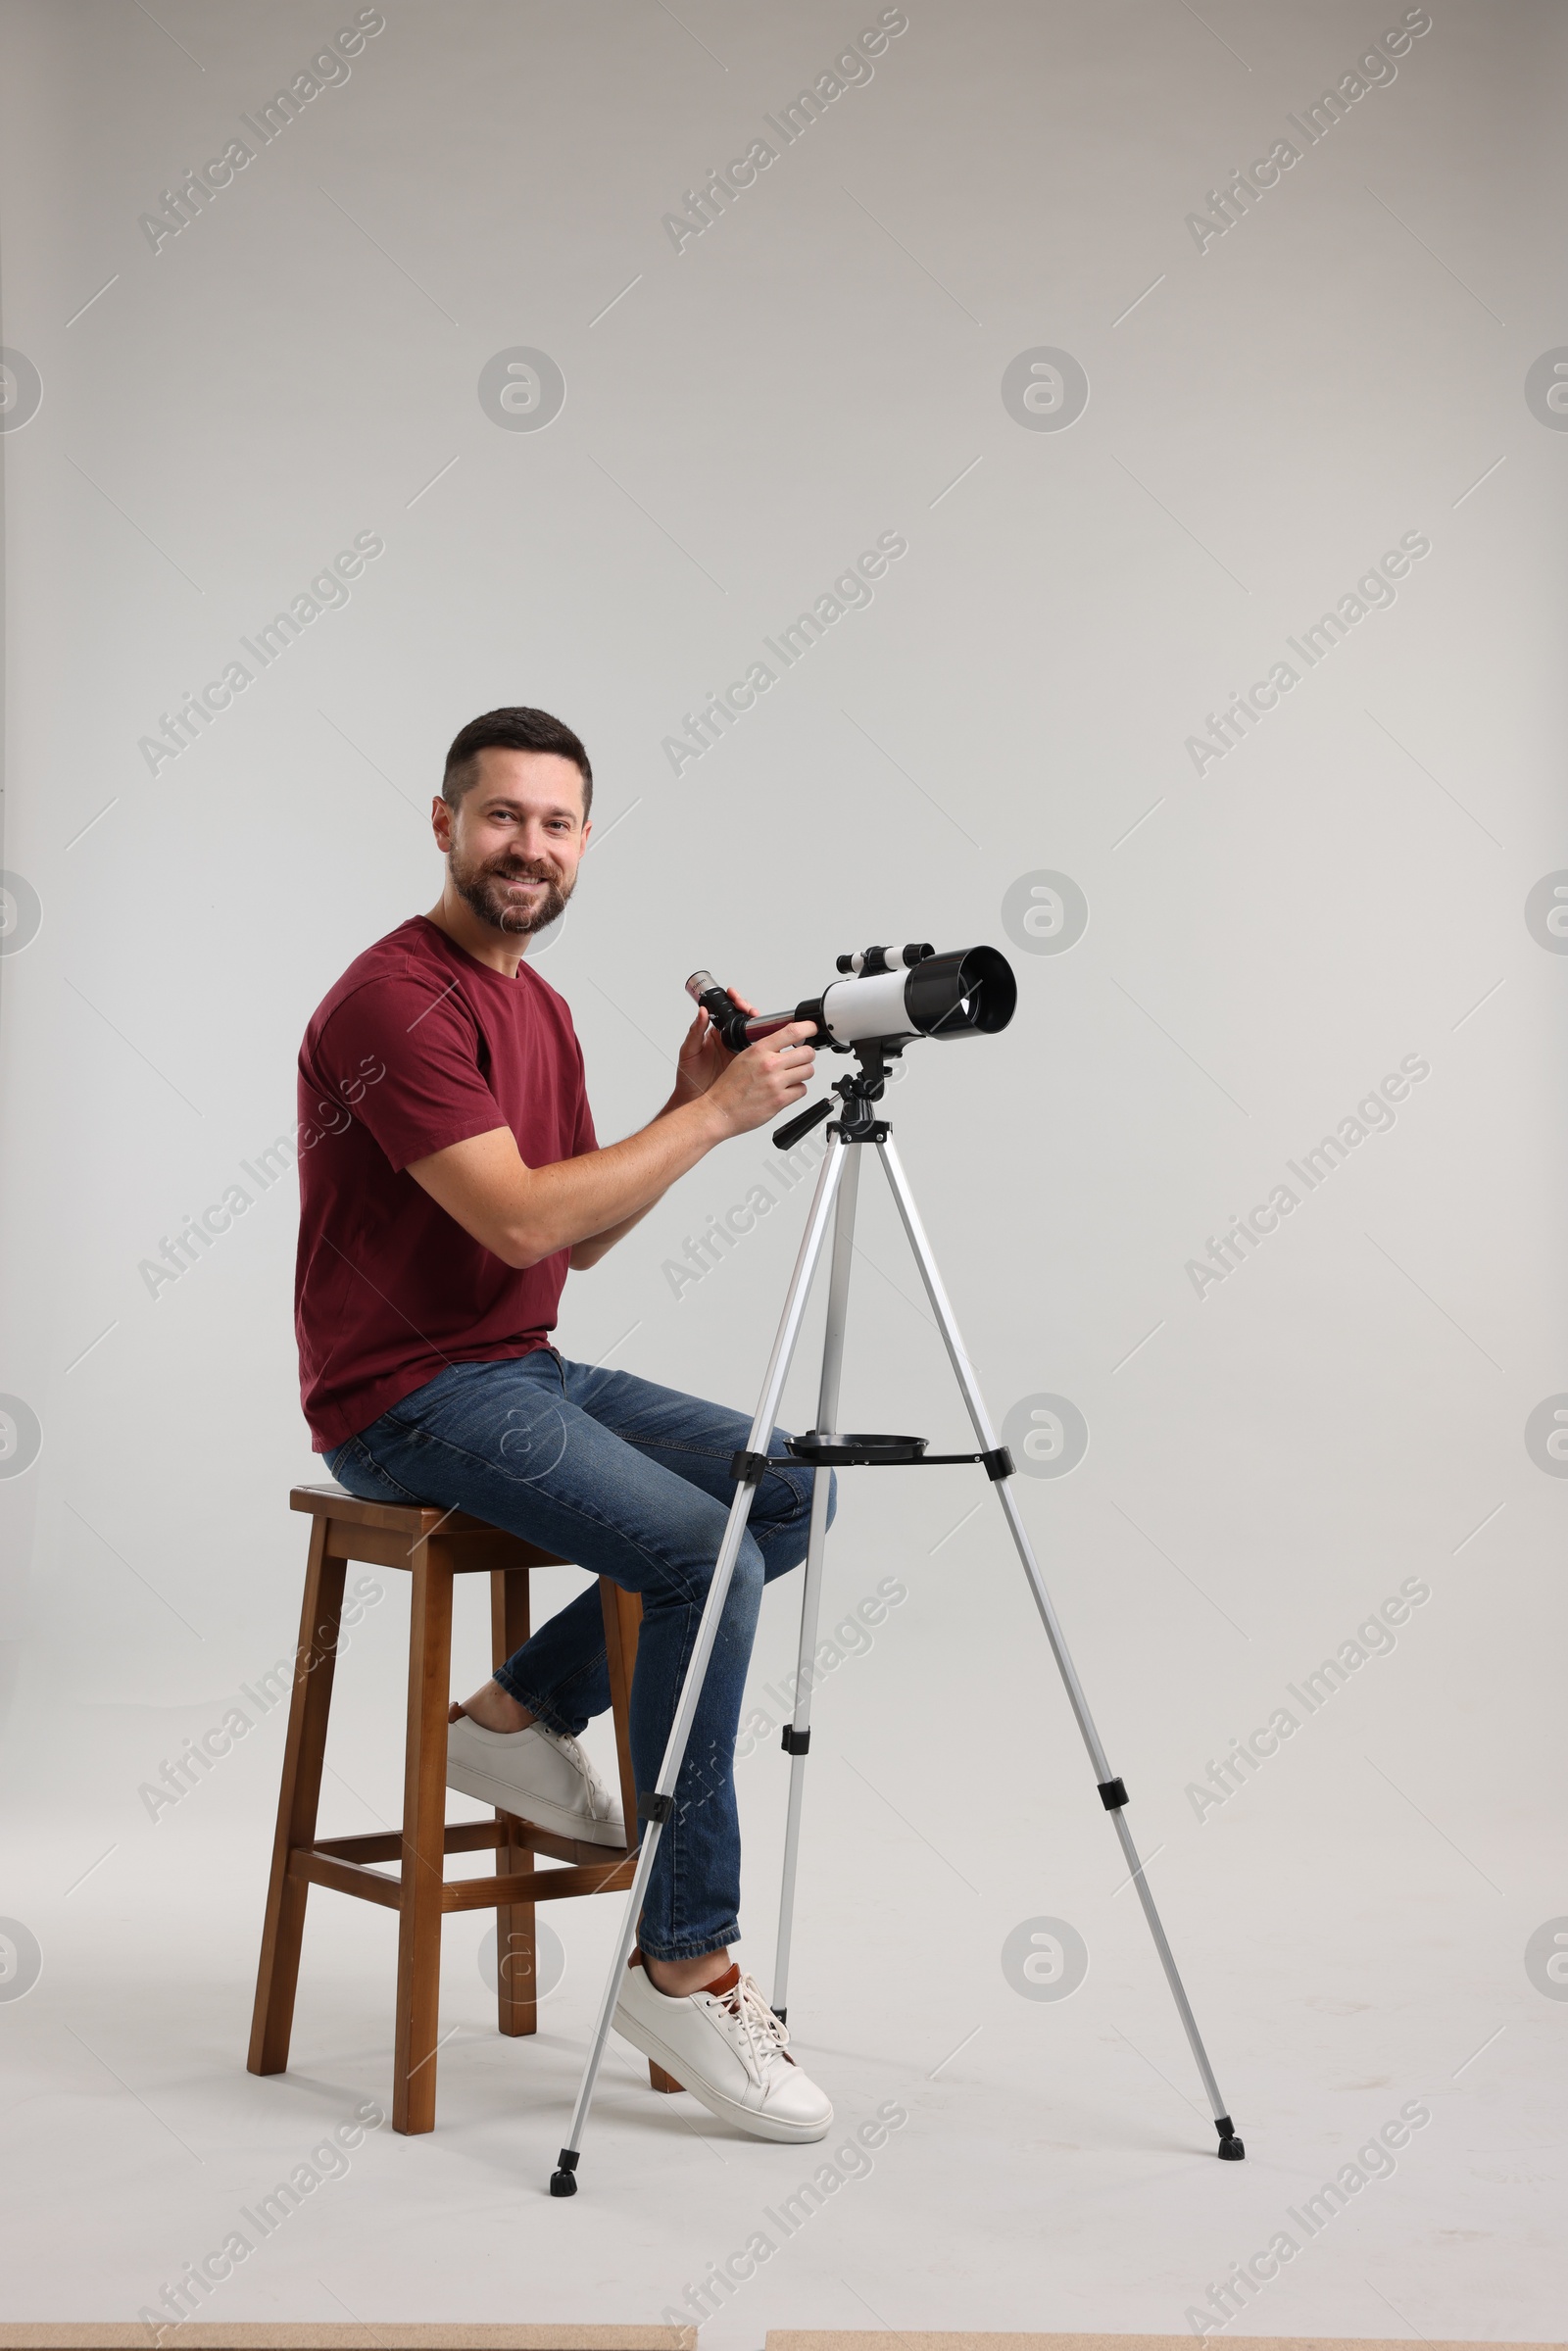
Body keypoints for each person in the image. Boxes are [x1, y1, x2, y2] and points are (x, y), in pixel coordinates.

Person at [294, 705, 835, 2145]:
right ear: (444, 823)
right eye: (502, 817)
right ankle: (683, 1960)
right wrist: (716, 1117)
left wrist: (670, 1105)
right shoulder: (392, 1003)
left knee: (781, 1498)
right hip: (402, 1397)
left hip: (517, 1364)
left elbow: (572, 1245)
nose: (527, 847)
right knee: (689, 1553)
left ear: (585, 841)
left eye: (556, 823)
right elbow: (524, 1210)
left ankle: (516, 1714)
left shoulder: (541, 1010)